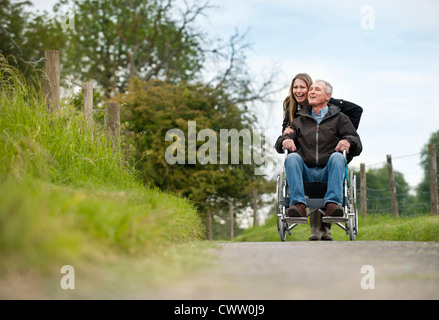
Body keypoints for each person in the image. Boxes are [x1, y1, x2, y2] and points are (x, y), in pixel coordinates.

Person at [275, 80, 362, 240]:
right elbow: (281, 140)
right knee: (292, 158)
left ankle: (333, 205)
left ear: (328, 96)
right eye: (311, 89)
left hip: (328, 172)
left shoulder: (340, 118)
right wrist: (285, 140)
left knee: (337, 157)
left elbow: (356, 140)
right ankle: (298, 206)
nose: (312, 92)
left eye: (317, 89)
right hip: (305, 173)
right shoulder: (300, 120)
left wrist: (348, 141)